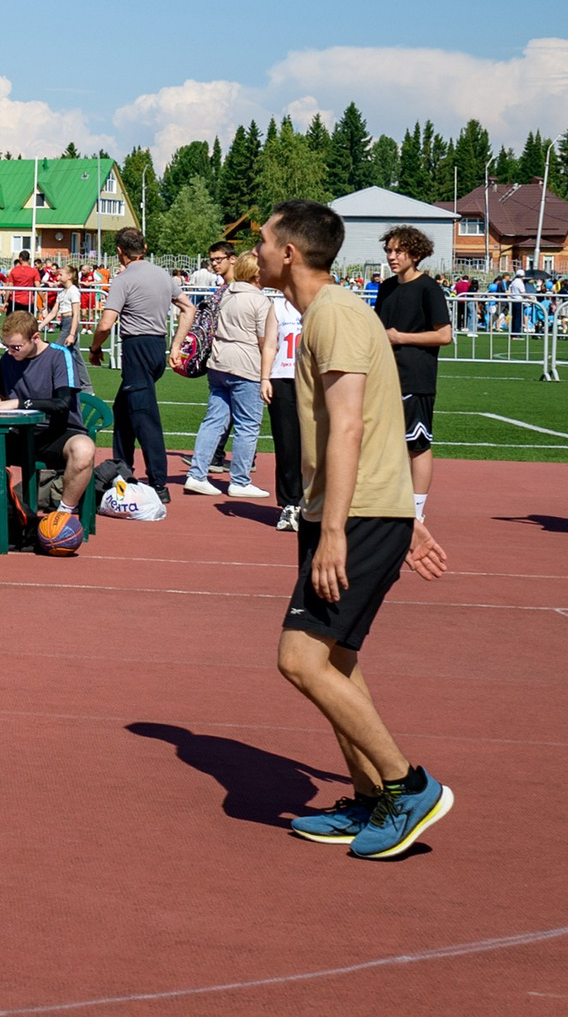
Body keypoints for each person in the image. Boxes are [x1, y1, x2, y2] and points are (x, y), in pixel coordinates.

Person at [257, 200, 454, 859]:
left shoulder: (335, 314)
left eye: (263, 239)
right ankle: (371, 799)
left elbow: (350, 425)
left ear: (289, 252)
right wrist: (401, 512)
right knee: (335, 656)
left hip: (354, 515)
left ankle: (408, 786)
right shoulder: (330, 312)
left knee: (299, 657)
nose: (255, 249)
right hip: (359, 509)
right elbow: (376, 418)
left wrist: (340, 529)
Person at [0, 311, 101, 539]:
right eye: (8, 347)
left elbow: (63, 403)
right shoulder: (7, 359)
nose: (11, 352)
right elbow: (2, 394)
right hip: (19, 434)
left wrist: (18, 403)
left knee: (84, 449)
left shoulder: (59, 355)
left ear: (35, 337)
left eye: (16, 347)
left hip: (58, 434)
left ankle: (61, 516)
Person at [372, 226, 450, 557]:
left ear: (415, 254)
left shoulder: (428, 289)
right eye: (388, 251)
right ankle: (389, 503)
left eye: (398, 251)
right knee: (385, 443)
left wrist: (402, 337)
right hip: (386, 377)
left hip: (416, 376)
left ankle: (417, 510)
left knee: (417, 444)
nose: (391, 257)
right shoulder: (387, 288)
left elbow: (443, 335)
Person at [184, 249, 278, 499]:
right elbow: (264, 341)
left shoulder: (225, 295)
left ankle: (197, 473)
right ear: (258, 274)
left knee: (214, 420)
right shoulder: (261, 301)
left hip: (219, 362)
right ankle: (240, 479)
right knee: (248, 424)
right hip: (246, 365)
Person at [92, 228, 177, 501]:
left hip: (137, 346)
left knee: (144, 417)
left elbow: (106, 323)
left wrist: (95, 348)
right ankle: (122, 471)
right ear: (145, 246)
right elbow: (189, 307)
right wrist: (176, 344)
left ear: (119, 251)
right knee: (124, 411)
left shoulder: (124, 279)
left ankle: (158, 484)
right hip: (156, 347)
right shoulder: (162, 274)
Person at [263, 262, 306, 532]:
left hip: (311, 382)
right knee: (287, 445)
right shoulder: (277, 306)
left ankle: (312, 502)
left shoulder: (316, 305)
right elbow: (269, 344)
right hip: (282, 378)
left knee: (313, 447)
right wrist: (265, 377)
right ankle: (290, 504)